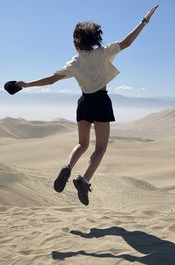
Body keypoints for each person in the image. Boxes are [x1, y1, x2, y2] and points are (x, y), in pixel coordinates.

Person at [16, 5, 159, 206]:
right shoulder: (103, 53)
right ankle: (84, 180)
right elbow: (127, 43)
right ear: (94, 38)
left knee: (82, 144)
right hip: (101, 101)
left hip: (84, 103)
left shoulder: (74, 62)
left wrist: (26, 84)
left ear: (77, 41)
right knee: (100, 148)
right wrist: (144, 21)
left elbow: (51, 80)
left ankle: (67, 167)